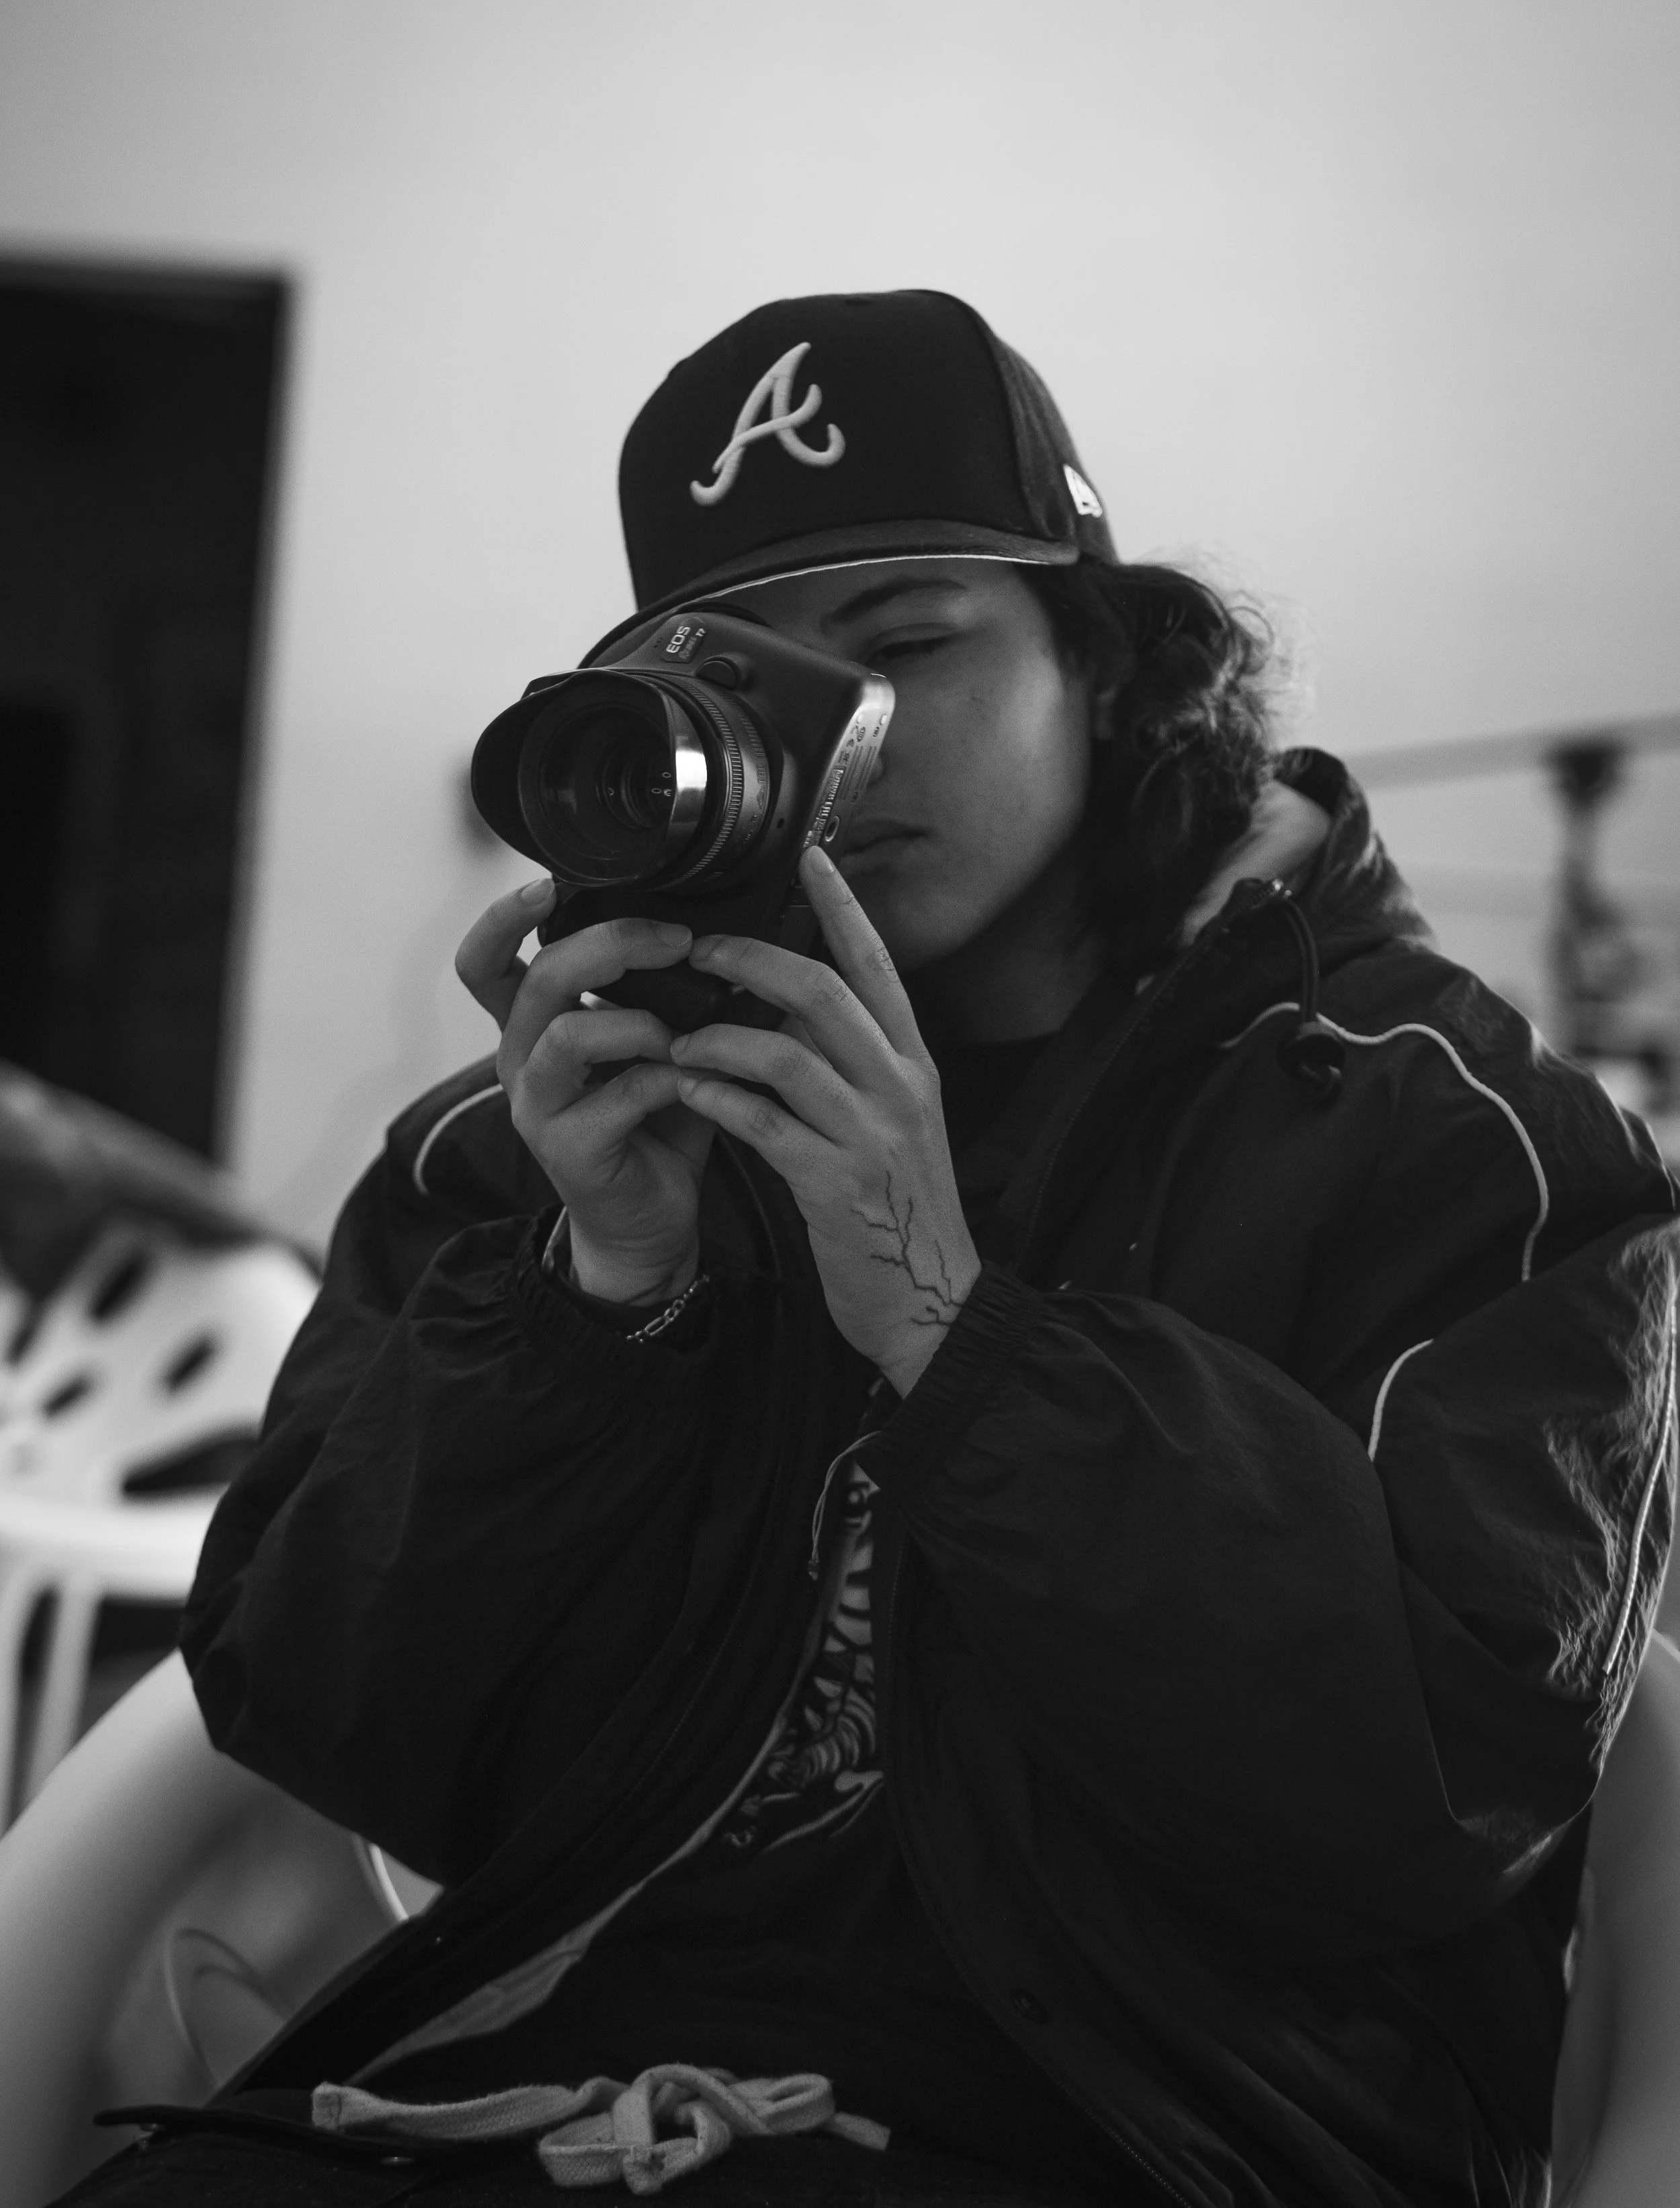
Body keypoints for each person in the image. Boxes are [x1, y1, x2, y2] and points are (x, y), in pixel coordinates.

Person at [65, 292, 1677, 2207]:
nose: (839, 746)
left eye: (907, 645)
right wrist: (599, 1296)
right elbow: (333, 1727)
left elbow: (1424, 1788)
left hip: (1171, 2138)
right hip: (572, 2099)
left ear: (1114, 662)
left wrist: (953, 1327)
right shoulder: (540, 1142)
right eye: (745, 692)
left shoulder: (1450, 1139)